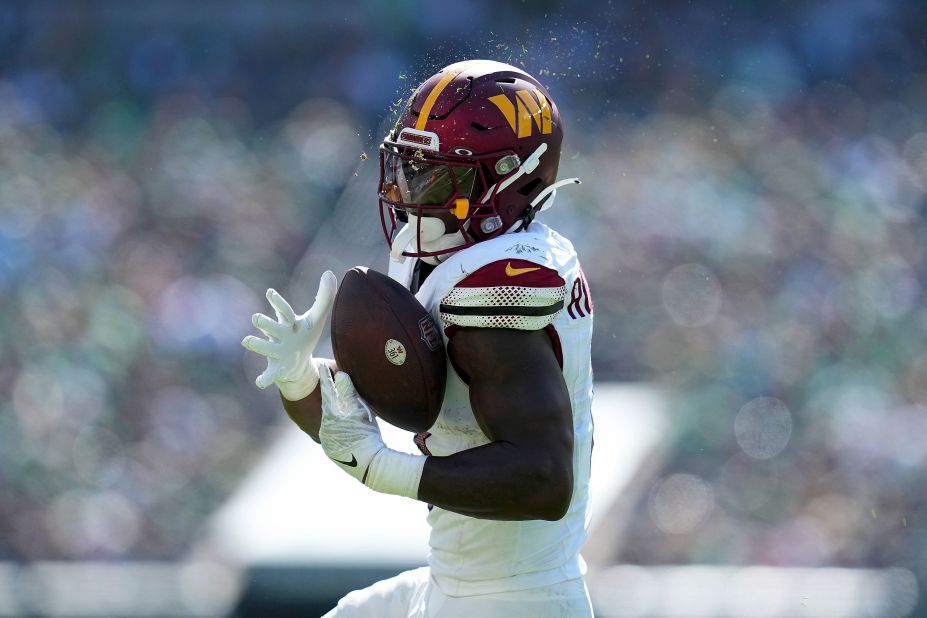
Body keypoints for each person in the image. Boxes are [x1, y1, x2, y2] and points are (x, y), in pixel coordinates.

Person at [242, 59, 595, 617]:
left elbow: (544, 480)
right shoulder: (447, 250)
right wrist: (298, 376)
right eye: (409, 167)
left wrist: (383, 469)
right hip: (455, 582)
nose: (411, 191)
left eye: (440, 175)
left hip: (512, 602)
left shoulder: (496, 288)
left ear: (511, 178)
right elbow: (346, 427)